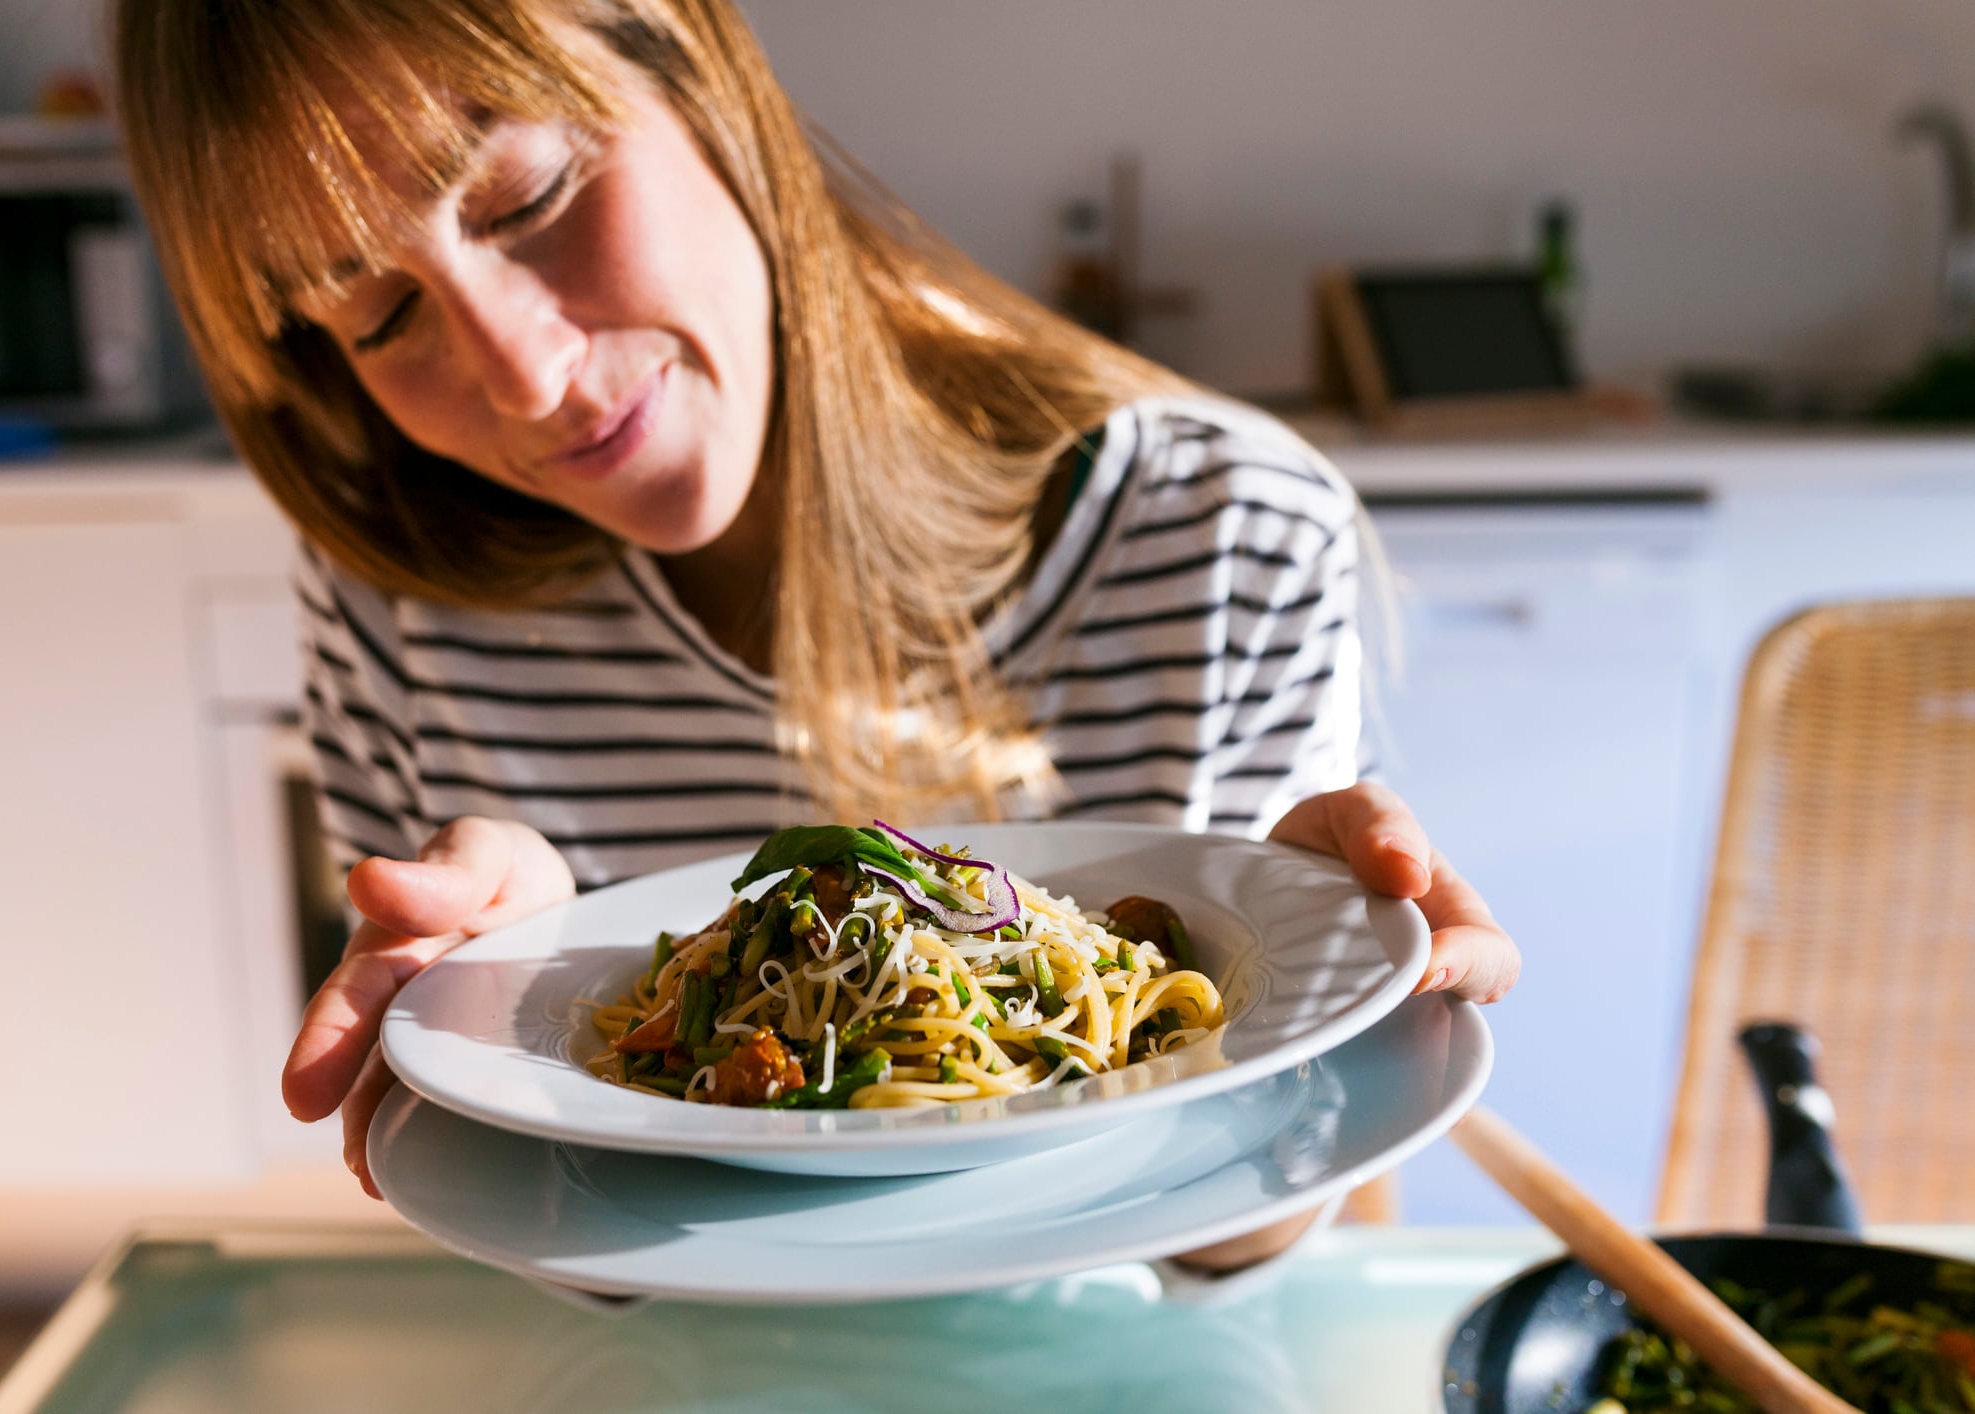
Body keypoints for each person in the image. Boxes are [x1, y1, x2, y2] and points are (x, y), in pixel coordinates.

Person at [112, 0, 1518, 1267]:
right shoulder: (394, 588)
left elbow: (1229, 1242)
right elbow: (559, 1260)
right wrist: (508, 1019)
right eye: (382, 311)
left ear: (695, 57)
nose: (528, 375)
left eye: (528, 196)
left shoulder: (1220, 531)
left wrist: (1320, 1033)